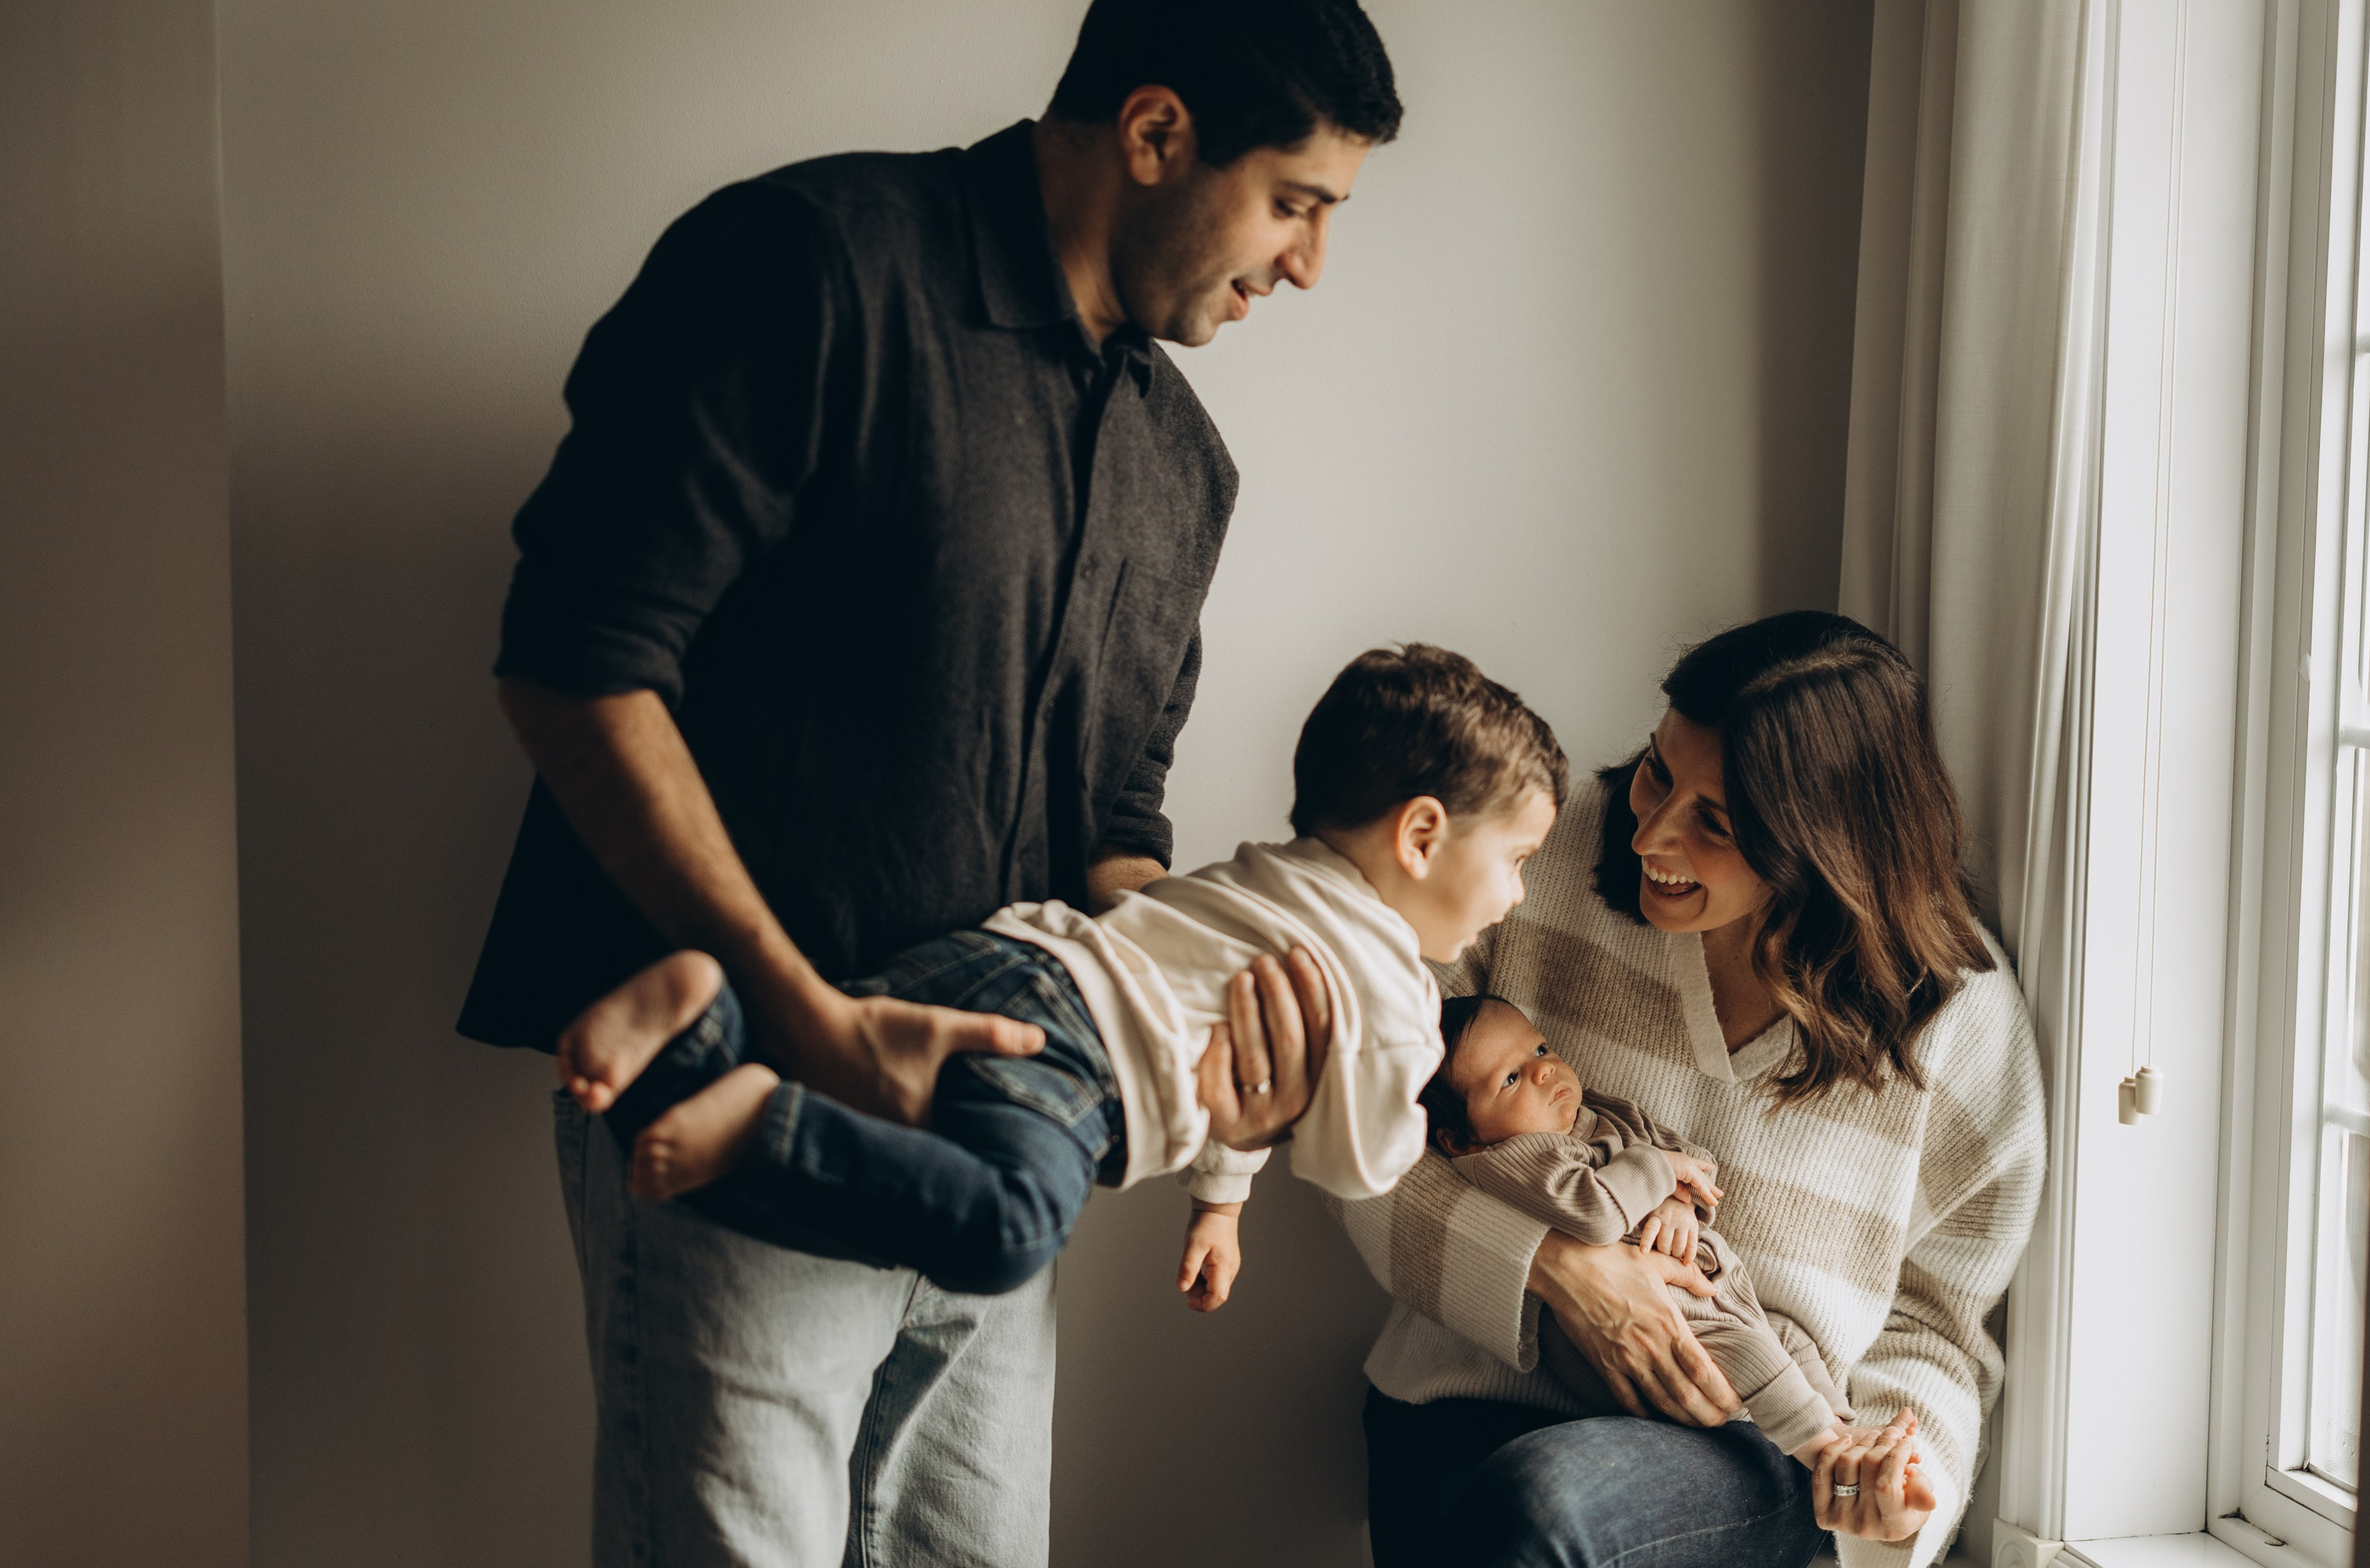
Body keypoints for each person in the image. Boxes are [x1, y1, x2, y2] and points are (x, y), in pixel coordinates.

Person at [455, 0, 1401, 1568]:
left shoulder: (1188, 469)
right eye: (1295, 203)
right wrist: (811, 1018)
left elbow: (1112, 825)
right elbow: (575, 662)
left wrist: (1231, 1028)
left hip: (988, 1145)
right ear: (1158, 130)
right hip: (745, 1092)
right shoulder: (811, 262)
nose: (1309, 264)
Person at [1339, 611, 2046, 1568]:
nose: (1650, 834)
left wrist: (1893, 1480)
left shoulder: (1957, 1023)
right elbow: (1360, 1138)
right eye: (1657, 770)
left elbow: (1936, 1322)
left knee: (1541, 1509)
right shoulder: (1530, 860)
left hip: (1748, 1434)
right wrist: (1555, 1268)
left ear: (1825, 845)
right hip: (1458, 1396)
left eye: (1714, 821)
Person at [552, 644, 1565, 1301]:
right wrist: (1401, 1091)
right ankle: (764, 1124)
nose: (1514, 895)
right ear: (1423, 835)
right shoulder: (1395, 990)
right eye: (1515, 861)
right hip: (1068, 1071)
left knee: (819, 1044)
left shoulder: (1275, 876)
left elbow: (1245, 1059)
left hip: (1013, 953)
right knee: (1007, 1228)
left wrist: (1221, 1201)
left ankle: (705, 1010)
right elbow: (1352, 1161)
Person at [1421, 993, 1927, 1511]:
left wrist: (1680, 1202)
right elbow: (1592, 1210)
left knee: (1789, 1337)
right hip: (1651, 1322)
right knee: (1751, 1352)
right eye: (1510, 1079)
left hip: (1701, 1287)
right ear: (1462, 1140)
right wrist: (1661, 1172)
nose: (1544, 1072)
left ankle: (1843, 1430)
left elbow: (1691, 1161)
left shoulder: (1598, 1113)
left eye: (1540, 1048)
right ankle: (1827, 1457)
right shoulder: (1510, 1157)